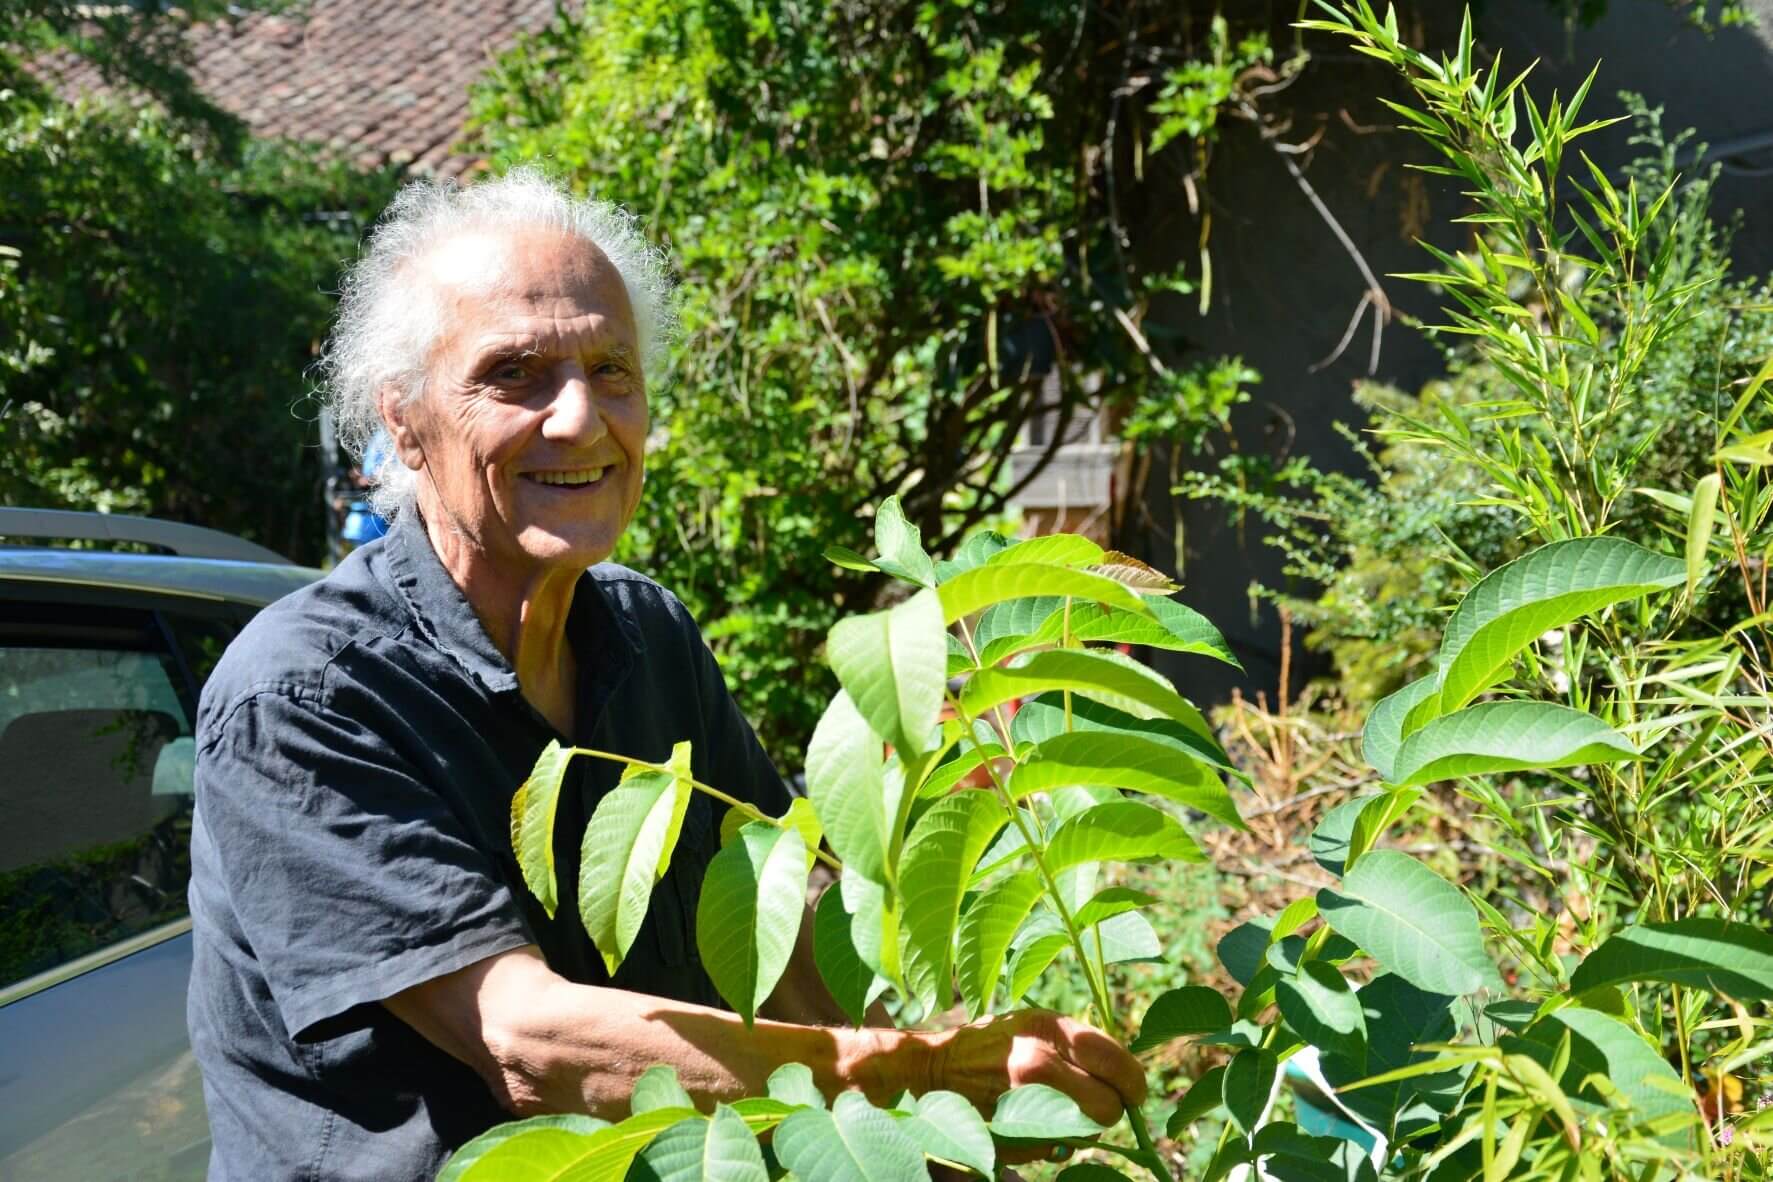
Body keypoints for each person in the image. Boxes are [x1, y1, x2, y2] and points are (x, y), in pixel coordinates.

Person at [186, 169, 1145, 1180]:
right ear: (404, 422)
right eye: (514, 374)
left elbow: (786, 922)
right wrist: (912, 1076)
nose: (579, 420)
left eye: (613, 370)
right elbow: (528, 1042)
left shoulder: (646, 632)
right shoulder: (303, 694)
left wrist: (953, 1110)